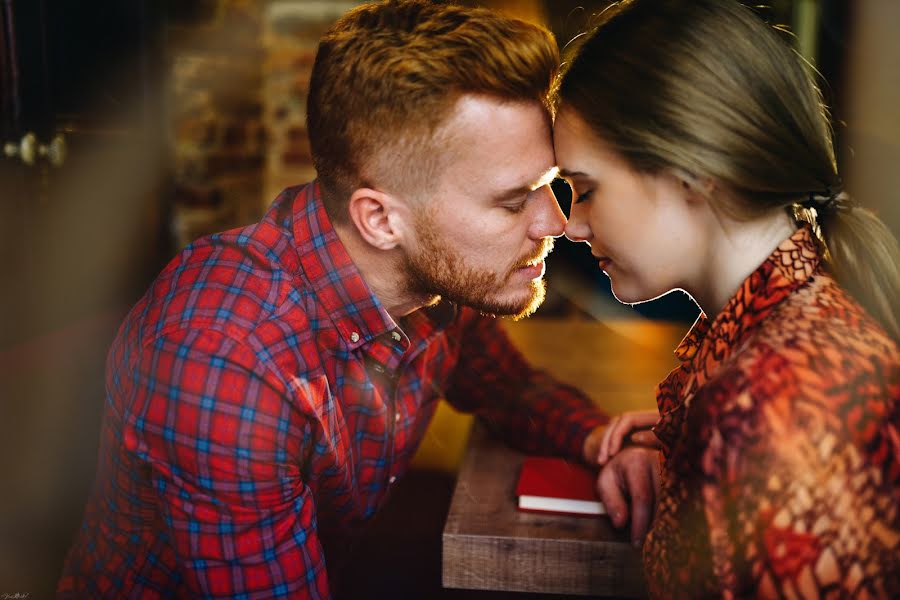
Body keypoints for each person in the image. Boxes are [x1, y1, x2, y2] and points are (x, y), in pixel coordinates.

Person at [57, 2, 613, 597]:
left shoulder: (438, 278)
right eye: (511, 202)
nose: (558, 223)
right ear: (378, 219)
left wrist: (603, 442)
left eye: (549, 186)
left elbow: (509, 388)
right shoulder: (227, 362)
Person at [553, 0, 900, 597]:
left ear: (690, 171)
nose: (571, 225)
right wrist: (680, 453)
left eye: (585, 189)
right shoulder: (781, 324)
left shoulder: (765, 404)